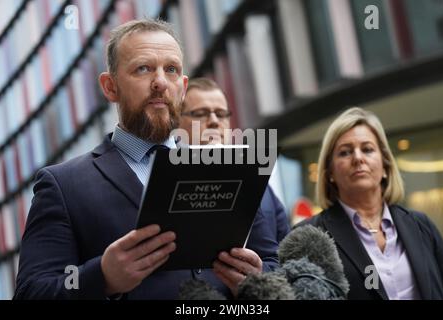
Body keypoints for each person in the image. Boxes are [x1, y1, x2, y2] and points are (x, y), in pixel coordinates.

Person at [14, 19, 282, 300]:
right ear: (110, 86)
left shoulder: (230, 170)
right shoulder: (63, 185)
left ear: (183, 85)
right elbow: (34, 291)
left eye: (172, 70)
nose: (160, 83)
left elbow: (273, 266)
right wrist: (102, 277)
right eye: (143, 69)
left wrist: (255, 282)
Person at [298, 107, 443, 300]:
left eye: (367, 149)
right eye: (345, 152)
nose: (358, 158)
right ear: (330, 173)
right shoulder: (308, 237)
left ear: (385, 166)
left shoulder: (421, 225)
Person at [178, 77, 290, 274]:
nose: (214, 121)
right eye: (201, 114)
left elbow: (289, 257)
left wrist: (260, 277)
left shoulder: (262, 186)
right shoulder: (168, 182)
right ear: (178, 122)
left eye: (221, 114)